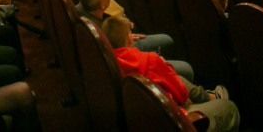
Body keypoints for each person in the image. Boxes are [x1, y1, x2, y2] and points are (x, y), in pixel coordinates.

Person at [102, 15, 239, 132]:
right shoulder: (149, 60)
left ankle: (208, 97)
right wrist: (161, 64)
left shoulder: (108, 64)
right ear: (130, 39)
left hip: (145, 118)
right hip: (172, 119)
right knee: (229, 107)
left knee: (176, 76)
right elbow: (182, 95)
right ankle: (212, 99)